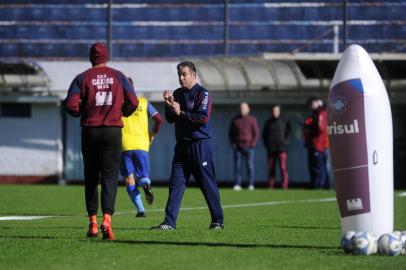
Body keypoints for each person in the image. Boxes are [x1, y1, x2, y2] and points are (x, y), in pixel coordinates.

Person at [64, 42, 138, 240]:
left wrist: (84, 112)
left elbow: (71, 105)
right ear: (107, 56)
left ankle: (93, 223)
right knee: (110, 176)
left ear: (91, 57)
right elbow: (134, 101)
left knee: (91, 177)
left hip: (90, 130)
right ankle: (107, 219)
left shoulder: (81, 78)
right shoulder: (119, 76)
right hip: (112, 130)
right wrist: (122, 112)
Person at [151, 61, 224, 230]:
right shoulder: (177, 93)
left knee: (207, 184)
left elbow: (202, 118)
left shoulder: (202, 94)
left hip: (200, 145)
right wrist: (168, 105)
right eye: (179, 75)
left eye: (184, 74)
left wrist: (181, 112)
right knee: (176, 184)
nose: (181, 78)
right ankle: (169, 222)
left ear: (193, 75)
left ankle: (217, 221)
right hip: (182, 146)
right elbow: (170, 119)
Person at [121, 77, 163, 218]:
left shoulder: (117, 105)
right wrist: (153, 134)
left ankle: (140, 210)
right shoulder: (143, 103)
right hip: (142, 144)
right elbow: (159, 120)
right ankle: (146, 184)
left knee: (129, 178)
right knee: (143, 176)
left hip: (124, 145)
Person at [228, 102, 260, 191]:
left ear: (248, 109)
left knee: (250, 166)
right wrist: (233, 144)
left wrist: (252, 144)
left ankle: (251, 184)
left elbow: (256, 134)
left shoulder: (252, 119)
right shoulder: (235, 120)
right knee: (237, 167)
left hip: (249, 147)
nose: (243, 110)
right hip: (238, 147)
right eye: (241, 108)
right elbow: (230, 134)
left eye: (245, 108)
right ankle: (238, 184)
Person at [262, 105, 291, 189]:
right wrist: (267, 145)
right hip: (271, 149)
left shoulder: (284, 121)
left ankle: (284, 186)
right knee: (271, 169)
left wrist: (285, 143)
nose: (275, 112)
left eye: (276, 111)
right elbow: (264, 135)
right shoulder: (268, 122)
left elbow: (288, 134)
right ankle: (271, 186)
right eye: (273, 111)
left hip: (282, 149)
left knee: (283, 168)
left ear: (279, 111)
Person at [304, 97, 329, 189]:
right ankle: (322, 185)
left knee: (320, 167)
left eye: (312, 104)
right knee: (320, 167)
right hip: (319, 144)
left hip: (320, 144)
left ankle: (320, 185)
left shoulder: (321, 114)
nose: (311, 107)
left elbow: (320, 128)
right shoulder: (315, 115)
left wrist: (310, 130)